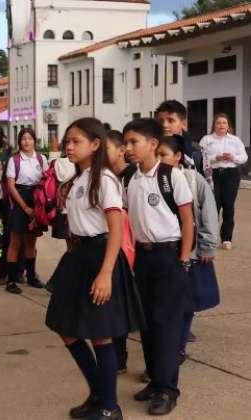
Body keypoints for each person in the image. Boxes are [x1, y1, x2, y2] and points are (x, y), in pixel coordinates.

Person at [46, 118, 143, 420]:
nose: (68, 146)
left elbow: (116, 228)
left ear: (95, 144)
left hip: (101, 256)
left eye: (76, 141)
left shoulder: (104, 179)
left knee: (100, 335)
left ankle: (109, 406)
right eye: (67, 141)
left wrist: (105, 273)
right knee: (65, 328)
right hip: (80, 256)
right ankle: (98, 392)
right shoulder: (80, 179)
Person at [123, 119, 194, 416]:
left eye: (133, 142)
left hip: (168, 256)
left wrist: (183, 258)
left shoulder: (171, 176)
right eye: (125, 143)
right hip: (143, 257)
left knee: (165, 324)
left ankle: (167, 390)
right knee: (147, 323)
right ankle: (155, 381)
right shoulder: (132, 178)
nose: (128, 149)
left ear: (152, 143)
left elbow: (187, 219)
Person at [157, 135, 219, 364]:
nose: (159, 160)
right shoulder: (147, 178)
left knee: (185, 304)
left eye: (163, 155)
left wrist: (207, 246)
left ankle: (178, 349)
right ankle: (166, 351)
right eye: (156, 155)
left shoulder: (193, 179)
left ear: (178, 157)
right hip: (161, 253)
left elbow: (208, 214)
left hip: (189, 253)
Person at [4, 128, 47, 294]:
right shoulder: (14, 160)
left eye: (29, 138)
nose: (26, 142)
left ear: (34, 140)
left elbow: (46, 180)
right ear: (19, 142)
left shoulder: (41, 158)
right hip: (19, 200)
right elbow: (11, 186)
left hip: (37, 199)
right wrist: (25, 207)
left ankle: (31, 276)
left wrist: (37, 207)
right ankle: (12, 280)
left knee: (31, 242)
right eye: (23, 139)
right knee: (15, 242)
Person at [105, 129, 134, 375]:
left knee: (123, 301)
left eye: (106, 149)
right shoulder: (101, 176)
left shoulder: (132, 175)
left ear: (121, 150)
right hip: (109, 244)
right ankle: (118, 355)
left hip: (128, 245)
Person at [199, 113, 248, 250]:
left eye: (224, 123)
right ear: (214, 125)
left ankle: (226, 239)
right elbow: (201, 158)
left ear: (228, 126)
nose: (221, 125)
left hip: (231, 175)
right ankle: (210, 238)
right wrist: (216, 158)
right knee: (213, 206)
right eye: (218, 123)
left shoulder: (235, 140)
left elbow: (243, 157)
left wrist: (233, 157)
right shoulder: (206, 139)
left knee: (228, 205)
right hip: (212, 174)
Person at [155, 100, 204, 176]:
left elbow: (206, 180)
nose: (164, 125)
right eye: (161, 121)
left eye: (170, 120)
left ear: (184, 123)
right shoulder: (151, 148)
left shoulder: (196, 150)